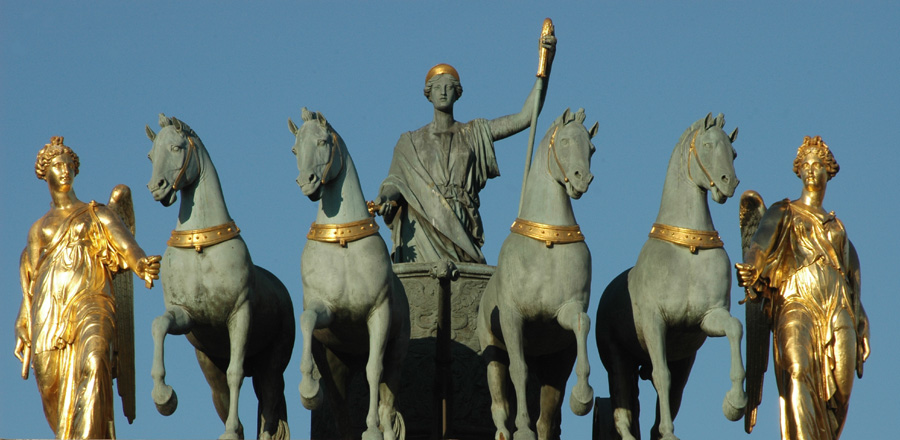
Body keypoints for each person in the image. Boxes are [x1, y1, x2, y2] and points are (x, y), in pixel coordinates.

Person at [14, 136, 161, 439]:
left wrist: (141, 263)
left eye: (68, 164)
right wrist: (24, 321)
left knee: (95, 360)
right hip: (49, 314)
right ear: (45, 173)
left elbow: (125, 243)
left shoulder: (97, 213)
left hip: (91, 301)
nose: (64, 169)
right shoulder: (39, 229)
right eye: (57, 165)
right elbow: (30, 280)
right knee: (51, 385)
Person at [373, 34, 556, 263]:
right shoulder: (409, 142)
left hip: (463, 223)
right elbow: (395, 182)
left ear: (457, 93)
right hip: (423, 225)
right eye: (437, 87)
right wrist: (384, 199)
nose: (442, 91)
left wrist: (544, 67)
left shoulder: (474, 133)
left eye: (449, 87)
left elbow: (525, 117)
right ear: (428, 94)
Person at [735, 136, 870, 439]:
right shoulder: (783, 211)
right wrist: (752, 267)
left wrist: (861, 317)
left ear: (829, 172)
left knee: (841, 393)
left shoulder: (837, 227)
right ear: (798, 171)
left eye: (817, 165)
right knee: (796, 369)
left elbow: (851, 278)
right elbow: (760, 244)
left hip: (837, 307)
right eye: (805, 165)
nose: (811, 170)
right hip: (796, 300)